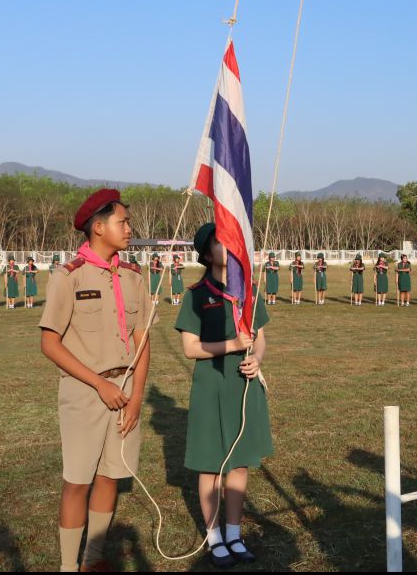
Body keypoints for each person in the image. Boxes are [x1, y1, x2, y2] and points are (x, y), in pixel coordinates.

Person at [40, 189, 152, 573]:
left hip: (125, 390)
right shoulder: (69, 277)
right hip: (85, 390)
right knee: (77, 481)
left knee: (110, 476)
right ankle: (68, 566)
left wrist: (136, 396)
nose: (129, 228)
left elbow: (142, 339)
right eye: (123, 222)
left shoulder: (134, 276)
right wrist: (100, 384)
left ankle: (93, 559)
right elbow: (49, 343)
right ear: (99, 228)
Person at [174, 222, 272, 568]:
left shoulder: (249, 290)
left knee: (240, 462)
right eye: (219, 242)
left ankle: (234, 533)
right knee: (211, 464)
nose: (228, 247)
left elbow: (259, 338)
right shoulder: (197, 295)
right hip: (211, 384)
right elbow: (190, 348)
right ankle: (214, 536)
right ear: (205, 253)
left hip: (243, 385)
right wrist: (231, 345)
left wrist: (257, 359)